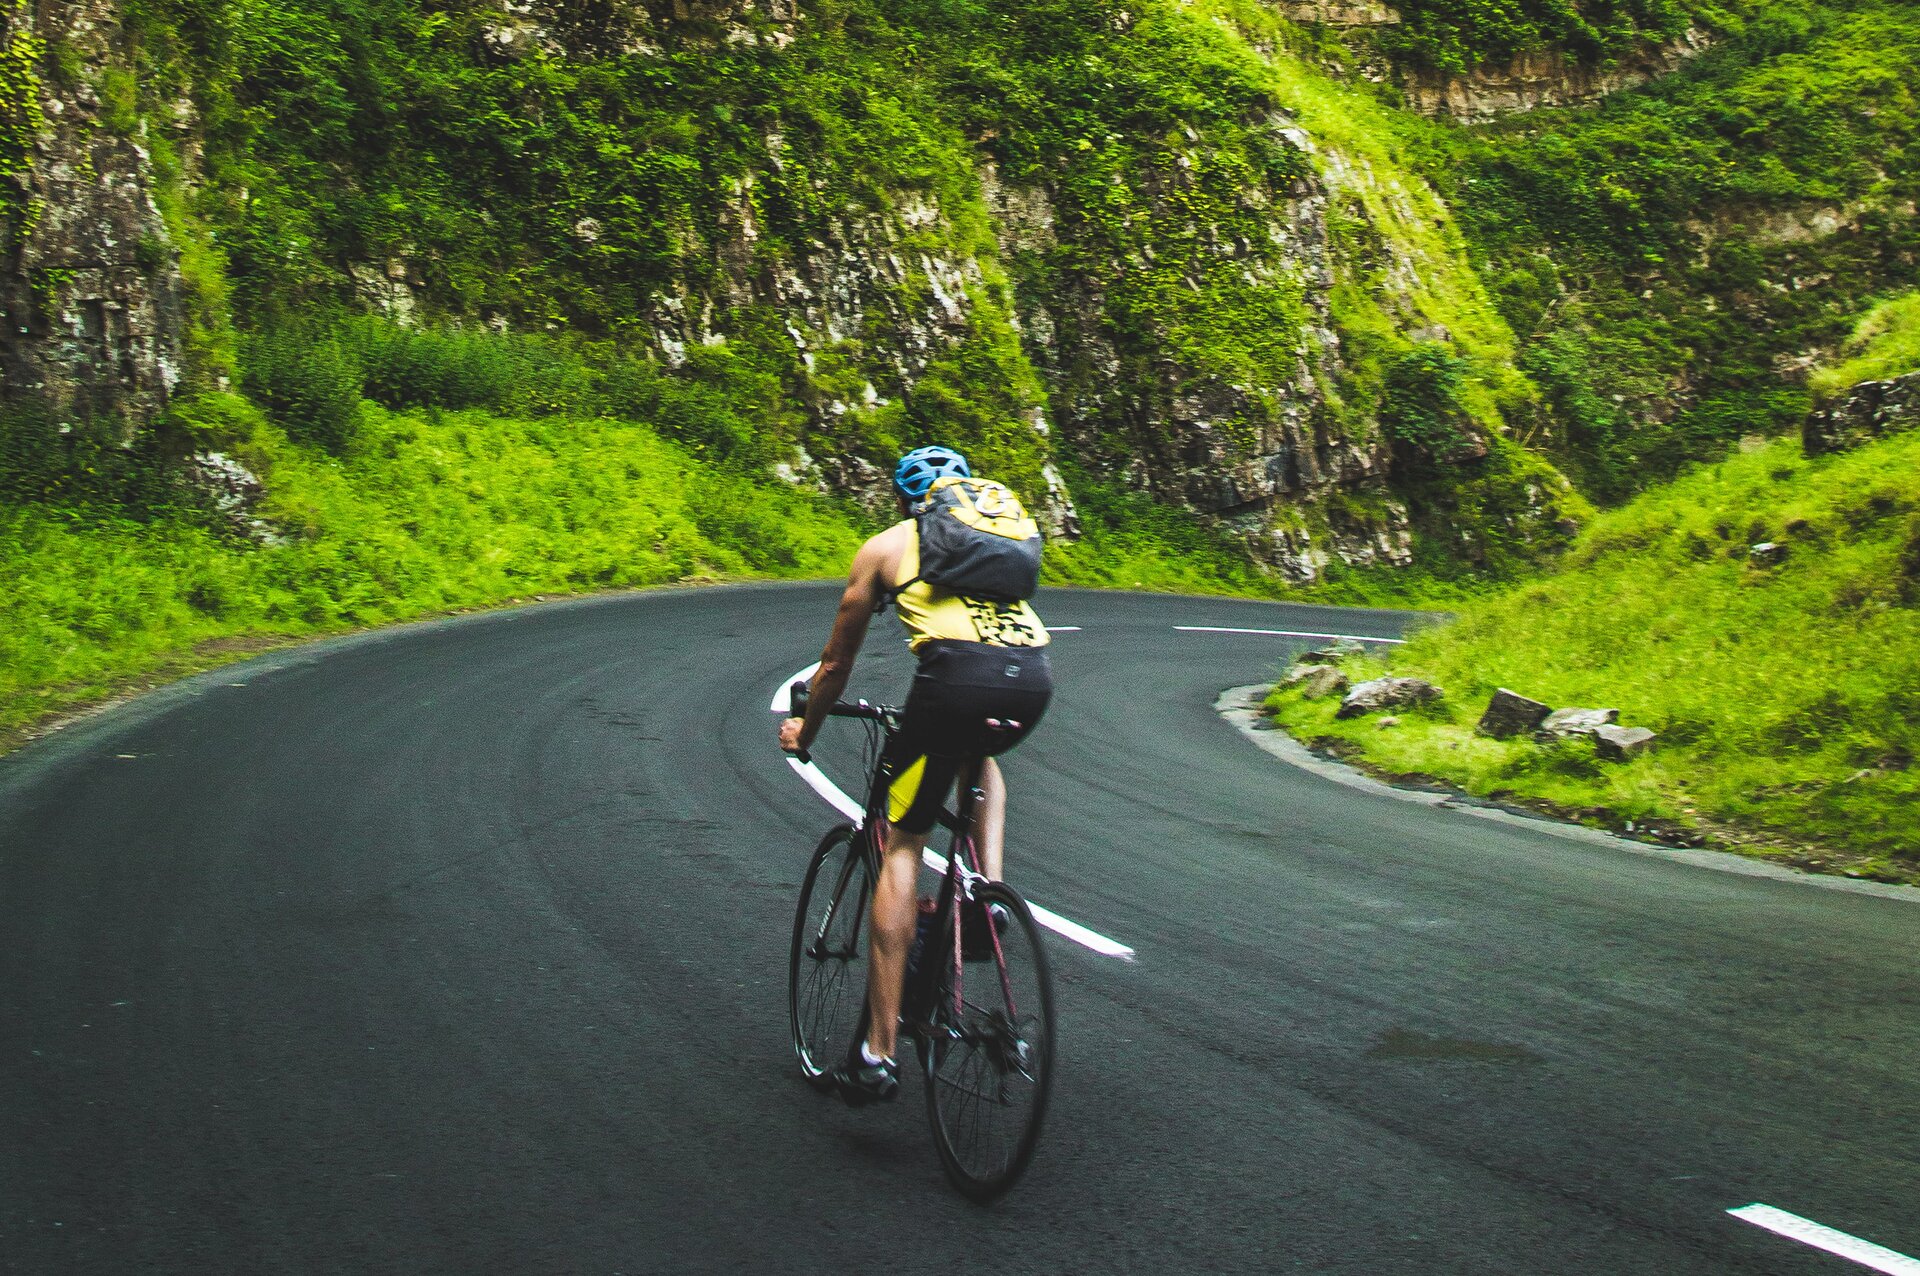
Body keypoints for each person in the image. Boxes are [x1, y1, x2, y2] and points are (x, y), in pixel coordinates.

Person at [779, 445, 1053, 1105]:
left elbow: (835, 666)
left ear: (904, 501)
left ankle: (876, 1055)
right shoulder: (993, 547)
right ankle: (987, 893)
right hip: (1032, 681)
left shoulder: (885, 547)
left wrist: (804, 733)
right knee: (976, 755)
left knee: (902, 843)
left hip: (955, 683)